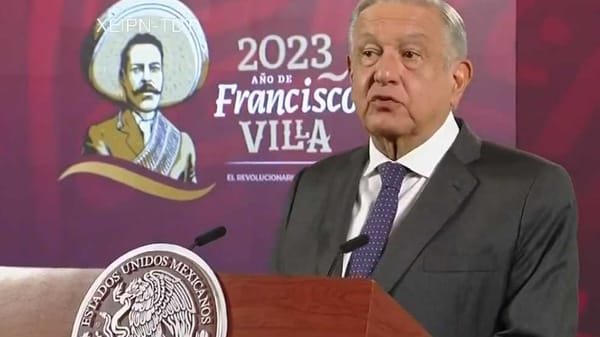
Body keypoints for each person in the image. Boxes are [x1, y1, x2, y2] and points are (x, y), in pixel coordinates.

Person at [271, 1, 578, 336]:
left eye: (410, 55)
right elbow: (273, 318)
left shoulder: (530, 192)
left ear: (457, 80)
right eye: (369, 53)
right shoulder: (312, 186)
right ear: (350, 70)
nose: (384, 73)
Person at [83, 33, 197, 183]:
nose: (147, 78)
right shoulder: (101, 137)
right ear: (122, 77)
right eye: (137, 69)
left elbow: (193, 203)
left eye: (154, 68)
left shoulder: (182, 144)